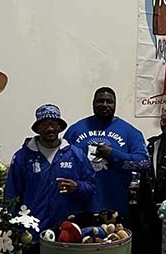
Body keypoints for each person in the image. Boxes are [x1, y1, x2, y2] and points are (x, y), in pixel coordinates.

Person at [5, 104, 96, 254]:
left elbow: (91, 187)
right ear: (37, 128)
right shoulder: (22, 157)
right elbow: (11, 195)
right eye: (44, 124)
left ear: (60, 127)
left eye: (54, 123)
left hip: (66, 233)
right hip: (33, 234)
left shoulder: (76, 155)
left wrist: (78, 187)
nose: (50, 128)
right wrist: (12, 229)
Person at [64, 88, 149, 222]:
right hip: (80, 207)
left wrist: (113, 154)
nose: (104, 104)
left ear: (115, 104)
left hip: (116, 207)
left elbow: (143, 163)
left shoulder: (130, 132)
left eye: (109, 101)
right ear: (93, 103)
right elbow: (62, 162)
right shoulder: (75, 130)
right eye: (100, 101)